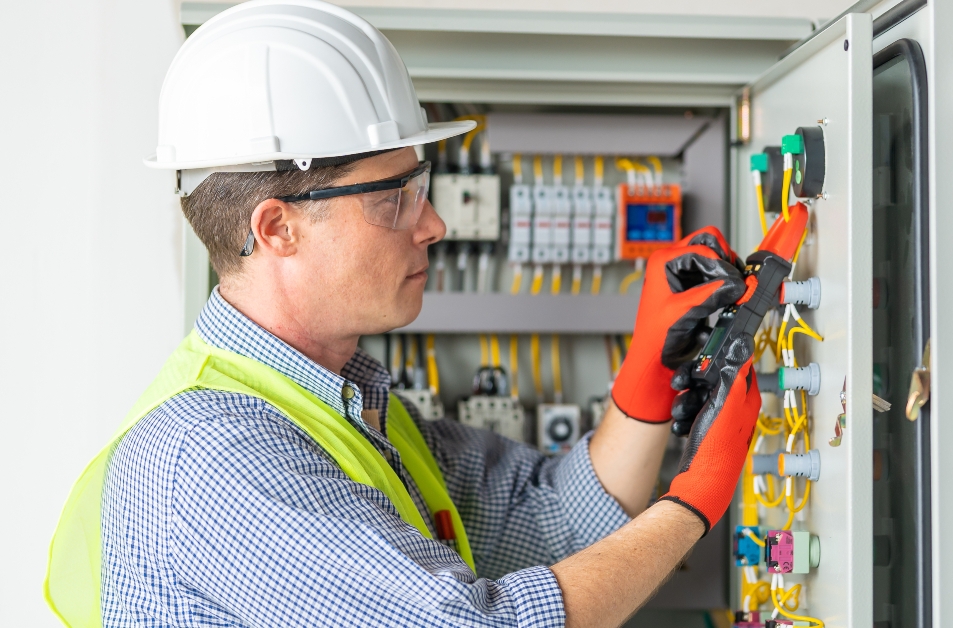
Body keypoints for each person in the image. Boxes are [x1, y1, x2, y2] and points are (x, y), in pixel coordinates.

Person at [45, 1, 762, 626]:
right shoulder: (217, 458)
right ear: (276, 229)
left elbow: (551, 527)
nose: (433, 225)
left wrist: (644, 384)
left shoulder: (357, 412)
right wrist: (695, 503)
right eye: (393, 199)